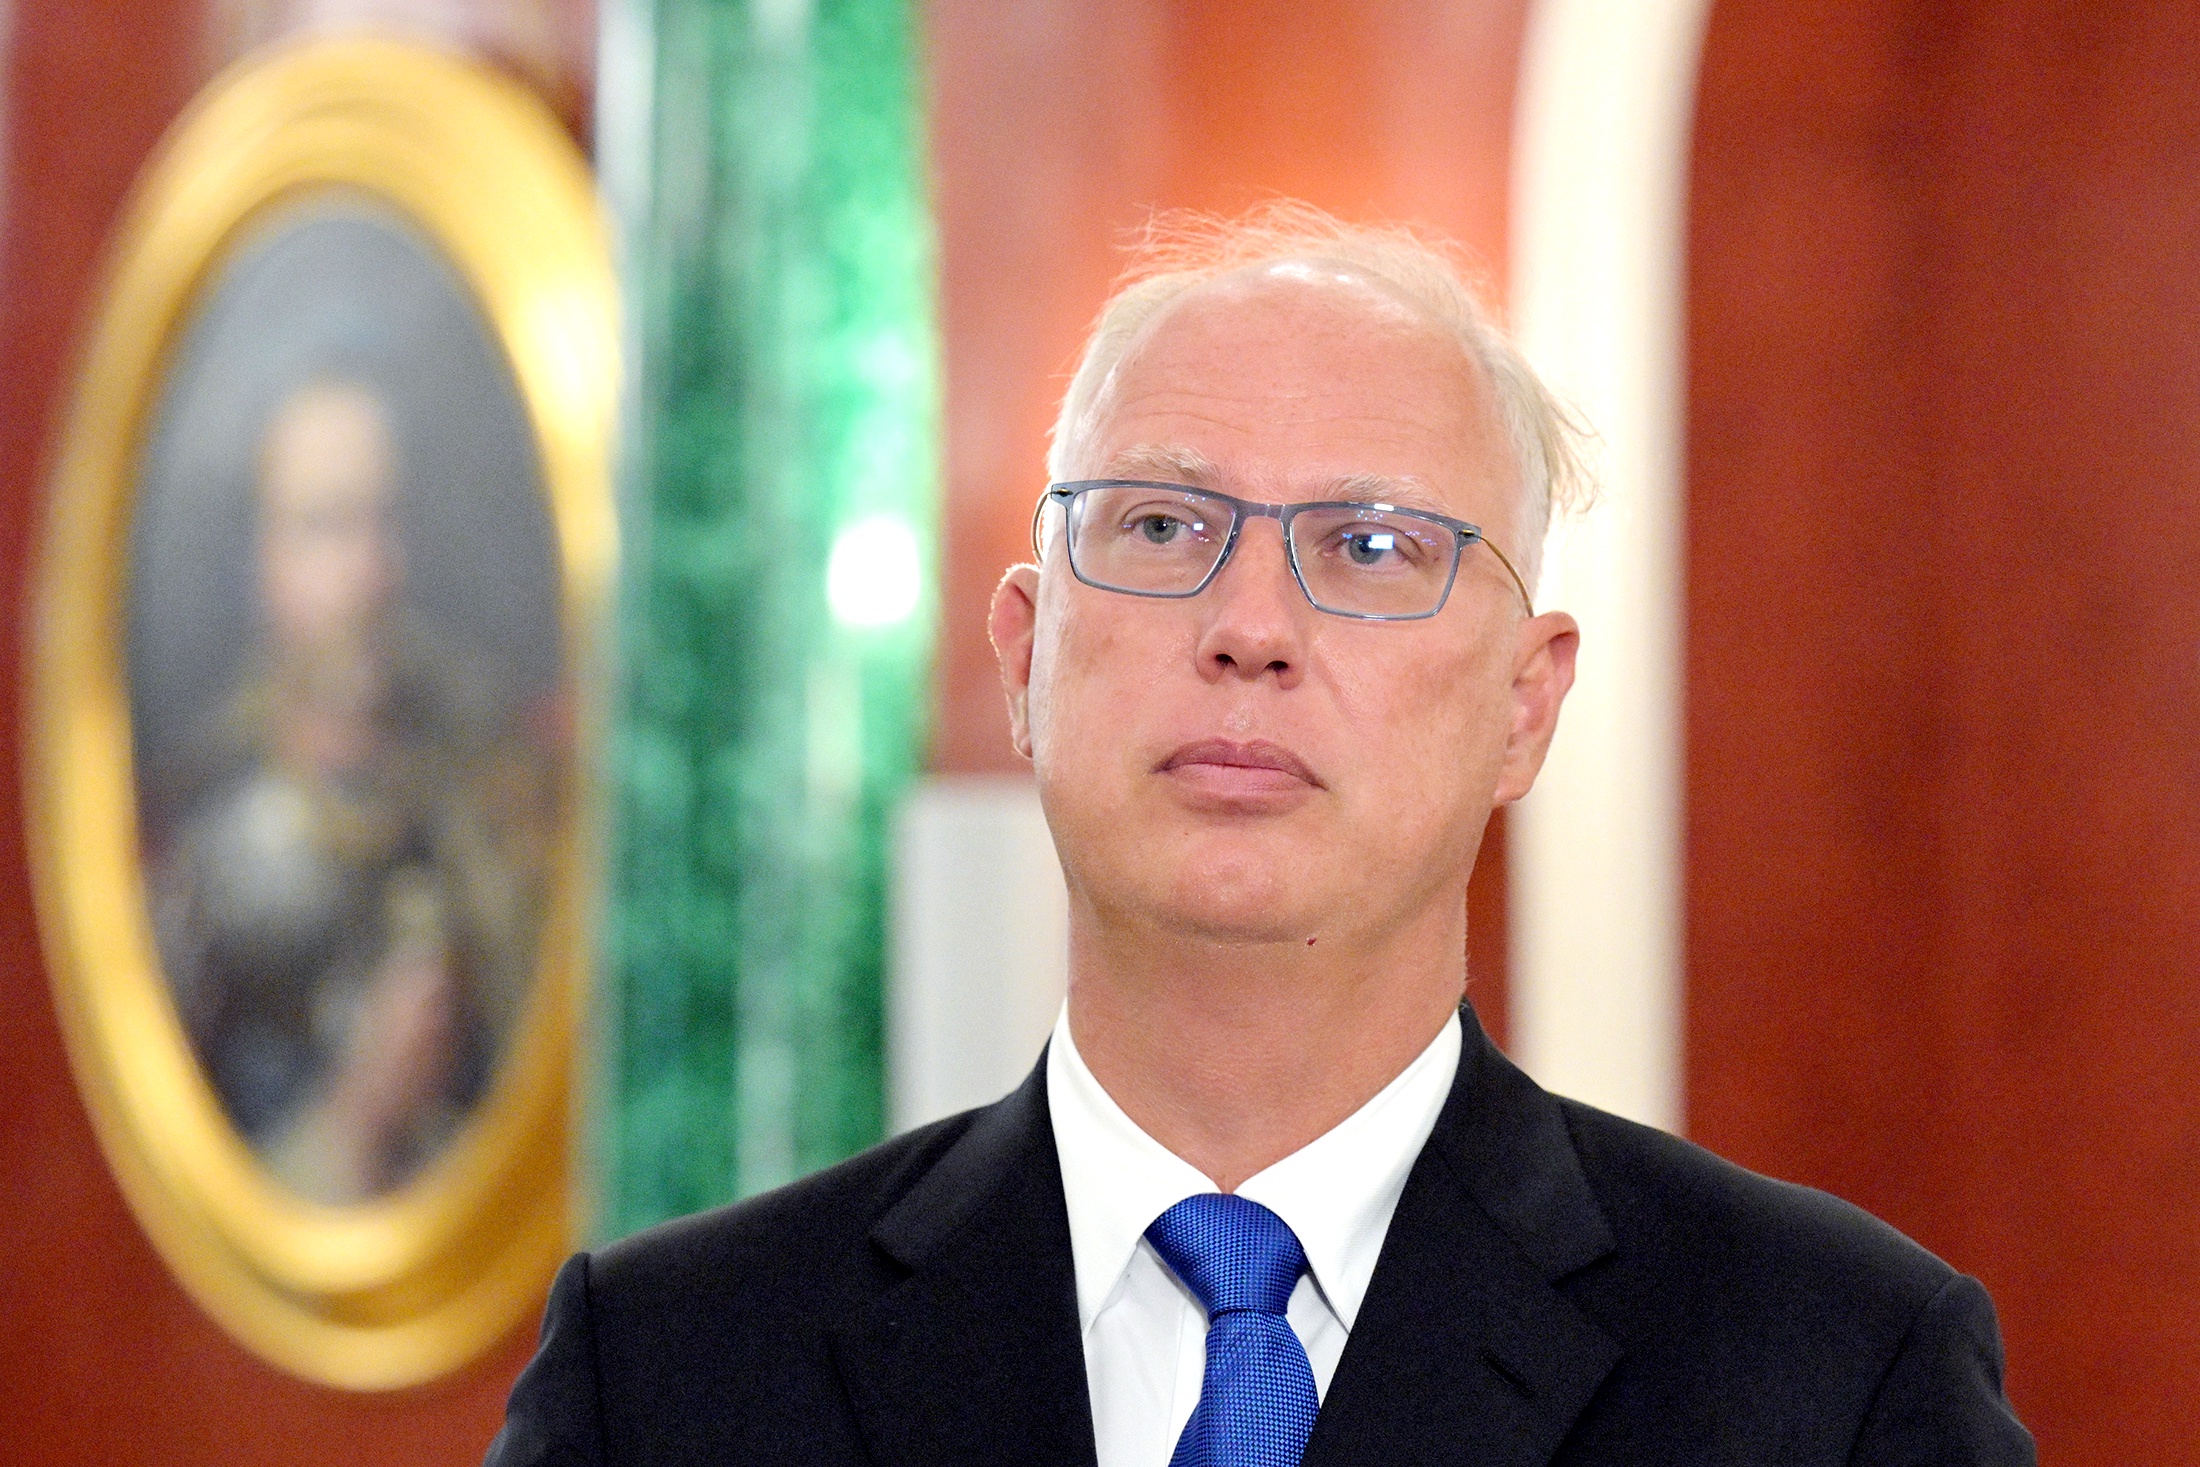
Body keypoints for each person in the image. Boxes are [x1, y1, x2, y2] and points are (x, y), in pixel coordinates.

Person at [485, 205, 2033, 1465]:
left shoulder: (1832, 1376)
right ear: (1024, 657)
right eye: (1162, 526)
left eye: (1371, 546)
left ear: (1524, 703)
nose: (1249, 626)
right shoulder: (670, 1368)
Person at [146, 377, 556, 1204]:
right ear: (258, 560)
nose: (370, 572)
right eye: (326, 526)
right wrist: (363, 1106)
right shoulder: (193, 835)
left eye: (386, 520)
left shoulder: (490, 776)